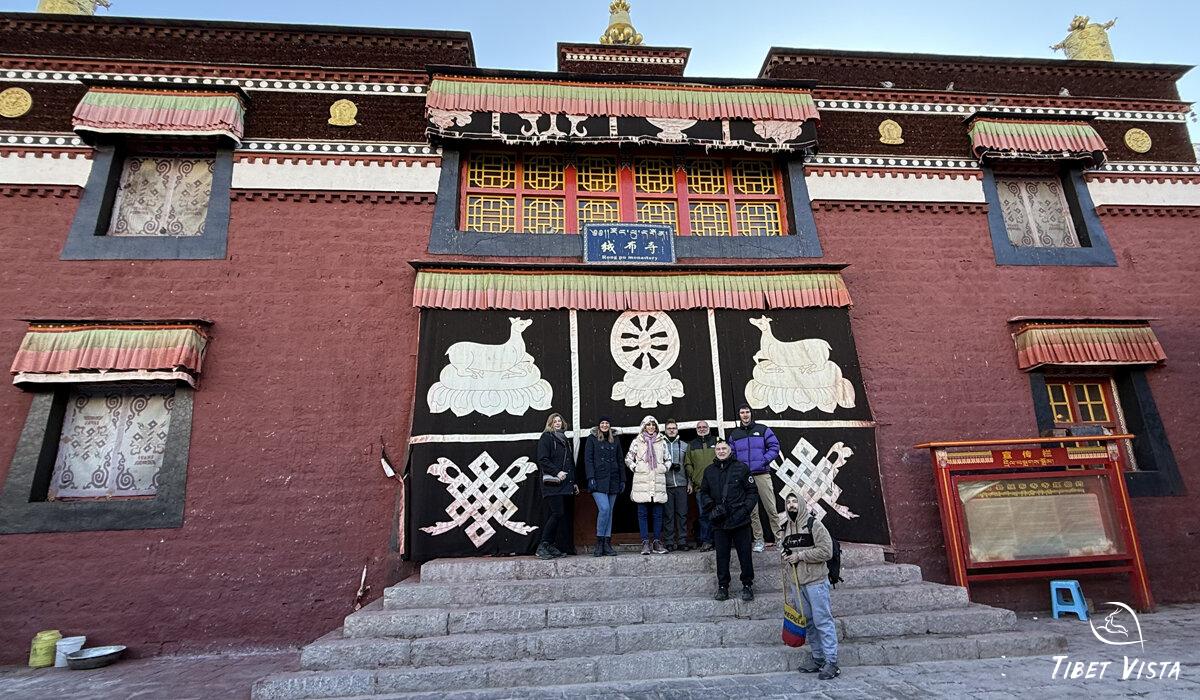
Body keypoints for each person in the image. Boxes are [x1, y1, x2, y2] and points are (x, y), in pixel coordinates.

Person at [779, 493, 839, 680]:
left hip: (816, 581)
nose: (791, 505)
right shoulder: (785, 528)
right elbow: (787, 550)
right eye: (788, 502)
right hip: (797, 583)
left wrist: (800, 556)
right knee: (809, 622)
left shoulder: (815, 525)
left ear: (802, 503)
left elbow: (826, 551)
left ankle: (832, 661)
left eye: (795, 501)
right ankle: (818, 657)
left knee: (823, 621)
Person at [697, 438, 758, 602]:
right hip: (720, 522)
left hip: (740, 521)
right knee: (721, 557)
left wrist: (745, 510)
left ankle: (747, 585)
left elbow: (752, 492)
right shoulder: (709, 471)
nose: (721, 451)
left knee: (745, 555)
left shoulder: (742, 468)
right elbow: (703, 493)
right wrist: (710, 505)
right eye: (718, 449)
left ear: (730, 450)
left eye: (724, 448)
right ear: (715, 451)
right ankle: (723, 586)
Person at [728, 404, 781, 553]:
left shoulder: (762, 429)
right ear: (739, 415)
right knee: (752, 511)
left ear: (751, 414)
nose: (745, 415)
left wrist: (763, 460)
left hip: (762, 474)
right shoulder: (735, 434)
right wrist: (739, 470)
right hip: (746, 478)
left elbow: (774, 446)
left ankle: (779, 539)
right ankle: (759, 540)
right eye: (742, 412)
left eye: (747, 412)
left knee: (771, 508)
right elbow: (731, 455)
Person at [535, 412, 578, 560]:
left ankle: (550, 545)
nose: (558, 423)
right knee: (557, 513)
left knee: (560, 515)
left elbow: (570, 462)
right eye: (555, 421)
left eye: (559, 421)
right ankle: (542, 545)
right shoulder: (546, 437)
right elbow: (543, 459)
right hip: (552, 484)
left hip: (565, 483)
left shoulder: (564, 439)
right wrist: (556, 471)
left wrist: (574, 482)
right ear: (550, 424)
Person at [626, 415, 670, 555]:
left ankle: (657, 542)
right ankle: (645, 542)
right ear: (643, 427)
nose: (651, 427)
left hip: (657, 480)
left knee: (658, 513)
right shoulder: (637, 441)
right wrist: (636, 468)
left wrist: (663, 468)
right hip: (642, 481)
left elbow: (668, 459)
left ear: (656, 427)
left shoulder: (662, 441)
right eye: (648, 425)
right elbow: (628, 458)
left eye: (653, 425)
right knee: (642, 513)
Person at [584, 416, 624, 557]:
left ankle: (607, 544)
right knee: (604, 508)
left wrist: (622, 480)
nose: (605, 425)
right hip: (598, 480)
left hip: (613, 479)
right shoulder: (592, 439)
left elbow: (620, 460)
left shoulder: (615, 440)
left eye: (607, 423)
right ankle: (599, 542)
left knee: (610, 511)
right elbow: (588, 460)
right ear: (599, 425)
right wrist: (590, 477)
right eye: (602, 423)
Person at [683, 419, 718, 552]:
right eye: (699, 427)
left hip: (717, 485)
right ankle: (706, 541)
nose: (702, 428)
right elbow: (688, 464)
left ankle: (719, 540)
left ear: (708, 428)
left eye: (704, 426)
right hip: (700, 487)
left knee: (719, 513)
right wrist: (694, 478)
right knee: (704, 515)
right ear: (696, 429)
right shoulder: (691, 445)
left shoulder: (716, 441)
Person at [661, 418, 689, 551]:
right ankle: (669, 542)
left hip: (682, 484)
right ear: (665, 430)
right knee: (668, 515)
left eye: (674, 428)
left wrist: (689, 482)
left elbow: (688, 465)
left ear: (677, 430)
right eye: (669, 428)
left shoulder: (684, 445)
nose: (671, 430)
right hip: (666, 485)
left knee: (682, 514)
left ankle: (682, 541)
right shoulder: (660, 445)